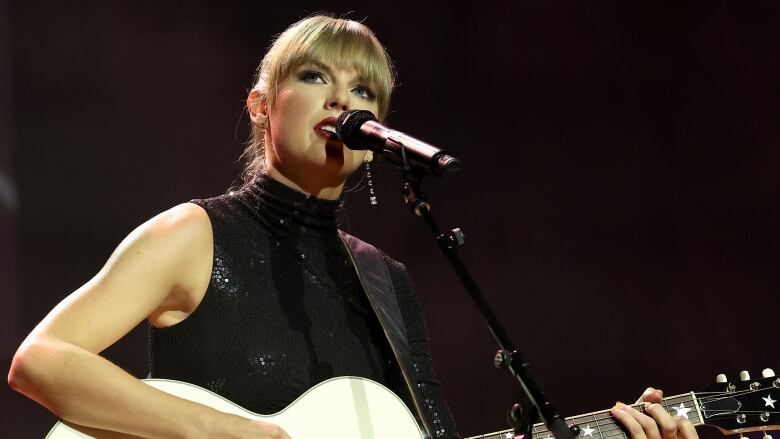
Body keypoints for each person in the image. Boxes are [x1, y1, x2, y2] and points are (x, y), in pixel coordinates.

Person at [8, 14, 699, 439]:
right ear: (260, 107)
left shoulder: (384, 280)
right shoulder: (194, 236)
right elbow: (40, 360)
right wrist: (222, 431)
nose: (343, 98)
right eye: (315, 77)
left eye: (364, 91)